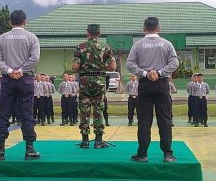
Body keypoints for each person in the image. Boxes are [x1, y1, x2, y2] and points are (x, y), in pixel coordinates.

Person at [126, 17, 179, 163]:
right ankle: (168, 154)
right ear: (158, 28)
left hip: (145, 84)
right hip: (161, 84)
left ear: (144, 29)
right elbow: (175, 63)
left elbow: (130, 64)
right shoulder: (167, 44)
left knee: (144, 120)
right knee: (165, 119)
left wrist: (145, 73)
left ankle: (142, 154)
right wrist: (160, 72)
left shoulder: (138, 45)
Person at [0, 10, 41, 161]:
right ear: (24, 21)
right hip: (25, 79)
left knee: (4, 113)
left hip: (7, 80)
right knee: (27, 113)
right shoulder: (32, 37)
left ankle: (1, 150)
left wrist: (9, 70)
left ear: (10, 22)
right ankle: (29, 149)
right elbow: (34, 59)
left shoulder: (1, 38)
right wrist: (20, 70)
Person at [72, 24, 116, 148]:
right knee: (98, 110)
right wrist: (101, 68)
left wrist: (85, 68)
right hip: (99, 81)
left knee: (84, 110)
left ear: (87, 33)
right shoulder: (106, 47)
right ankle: (98, 140)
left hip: (85, 81)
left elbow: (75, 67)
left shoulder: (80, 47)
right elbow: (113, 67)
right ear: (99, 33)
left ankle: (85, 140)